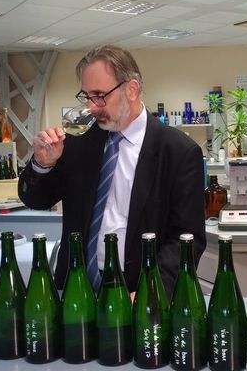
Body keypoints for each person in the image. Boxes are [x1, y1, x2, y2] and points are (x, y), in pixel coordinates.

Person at [18, 45, 206, 298]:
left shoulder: (178, 152)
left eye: (99, 95)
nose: (92, 107)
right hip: (76, 293)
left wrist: (151, 291)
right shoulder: (79, 141)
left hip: (138, 297)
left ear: (131, 89)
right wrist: (43, 164)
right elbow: (36, 199)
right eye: (86, 96)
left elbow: (188, 239)